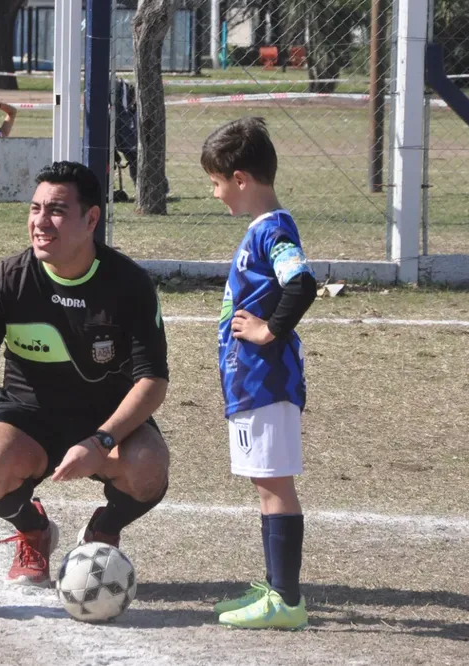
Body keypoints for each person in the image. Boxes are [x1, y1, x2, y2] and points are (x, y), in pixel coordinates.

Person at [0, 161, 170, 587]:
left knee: (148, 465)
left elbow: (153, 381)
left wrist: (102, 441)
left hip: (107, 420)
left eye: (57, 211)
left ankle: (103, 530)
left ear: (91, 219)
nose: (40, 222)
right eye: (35, 209)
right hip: (28, 418)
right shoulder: (10, 278)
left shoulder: (129, 283)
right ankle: (34, 530)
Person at [201, 117, 317, 630]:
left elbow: (303, 282)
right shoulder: (262, 230)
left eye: (216, 182)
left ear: (241, 179)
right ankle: (276, 591)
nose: (216, 193)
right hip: (250, 385)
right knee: (266, 484)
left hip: (267, 383)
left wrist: (270, 331)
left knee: (274, 486)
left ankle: (285, 602)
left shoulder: (273, 229)